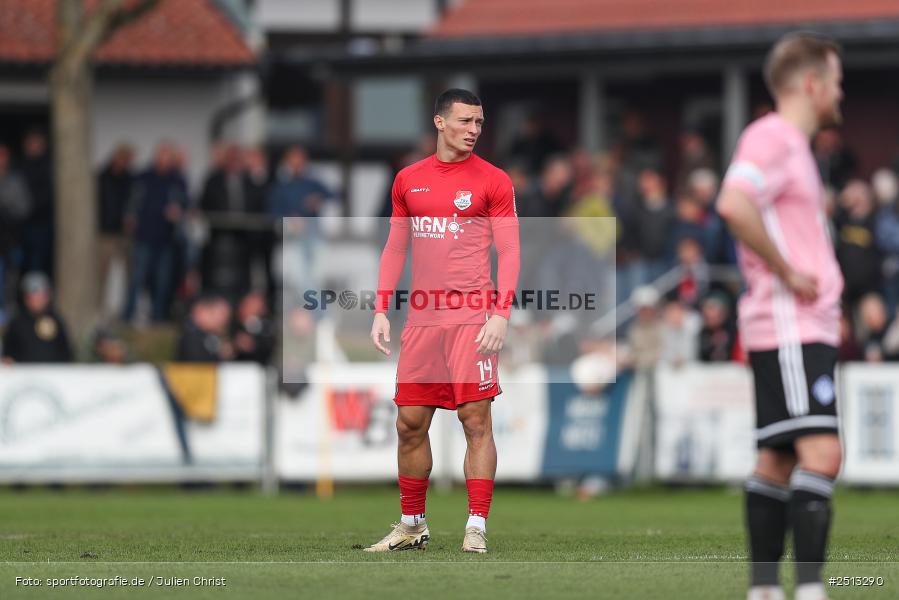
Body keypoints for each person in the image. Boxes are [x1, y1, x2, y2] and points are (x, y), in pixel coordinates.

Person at [716, 33, 845, 600]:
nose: (841, 91)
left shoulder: (793, 146)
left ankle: (766, 590)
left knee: (777, 457)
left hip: (799, 326)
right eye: (837, 80)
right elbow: (732, 201)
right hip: (791, 323)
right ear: (812, 83)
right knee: (822, 453)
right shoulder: (774, 137)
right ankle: (810, 590)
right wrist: (789, 271)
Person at [365, 89, 520, 554]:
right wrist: (380, 308)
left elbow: (510, 250)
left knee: (476, 421)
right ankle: (412, 524)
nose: (474, 129)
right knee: (409, 423)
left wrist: (501, 313)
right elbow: (395, 247)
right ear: (439, 122)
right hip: (422, 321)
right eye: (466, 120)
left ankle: (476, 526)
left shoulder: (493, 181)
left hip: (473, 318)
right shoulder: (408, 180)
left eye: (480, 122)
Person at [123, 142, 187, 322]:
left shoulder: (177, 180)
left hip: (166, 239)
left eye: (168, 157)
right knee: (136, 279)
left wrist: (178, 211)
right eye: (162, 156)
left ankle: (158, 317)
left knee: (162, 282)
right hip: (143, 237)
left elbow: (185, 203)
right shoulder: (143, 177)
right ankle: (128, 315)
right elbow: (132, 202)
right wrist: (130, 218)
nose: (164, 161)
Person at [2, 272, 72, 363]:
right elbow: (8, 352)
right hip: (23, 374)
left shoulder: (56, 320)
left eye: (41, 296)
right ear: (26, 298)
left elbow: (66, 351)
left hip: (53, 374)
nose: (37, 300)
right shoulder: (17, 323)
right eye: (33, 296)